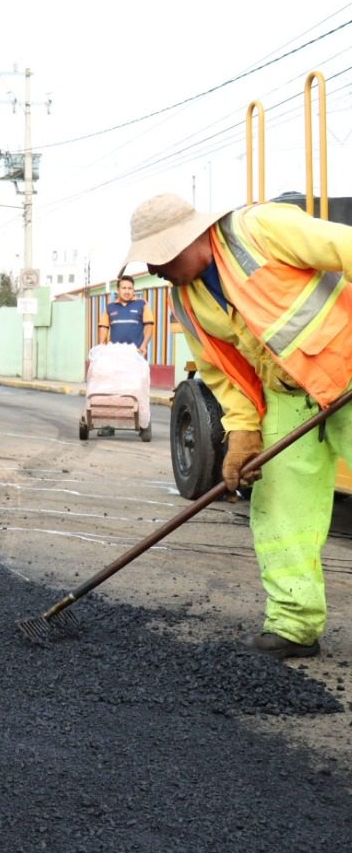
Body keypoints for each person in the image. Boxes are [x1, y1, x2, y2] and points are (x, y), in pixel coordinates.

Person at [122, 191, 352, 660]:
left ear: (192, 238)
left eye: (159, 258)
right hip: (288, 397)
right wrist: (243, 434)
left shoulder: (260, 229)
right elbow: (222, 375)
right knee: (279, 512)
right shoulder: (186, 302)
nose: (152, 271)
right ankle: (293, 624)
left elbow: (344, 247)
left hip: (347, 371)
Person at [98, 275, 153, 355]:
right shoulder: (110, 307)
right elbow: (104, 327)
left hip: (136, 353)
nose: (127, 291)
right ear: (118, 290)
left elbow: (149, 327)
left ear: (133, 289)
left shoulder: (142, 304)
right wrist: (101, 345)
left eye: (130, 288)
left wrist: (144, 345)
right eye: (124, 288)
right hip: (114, 353)